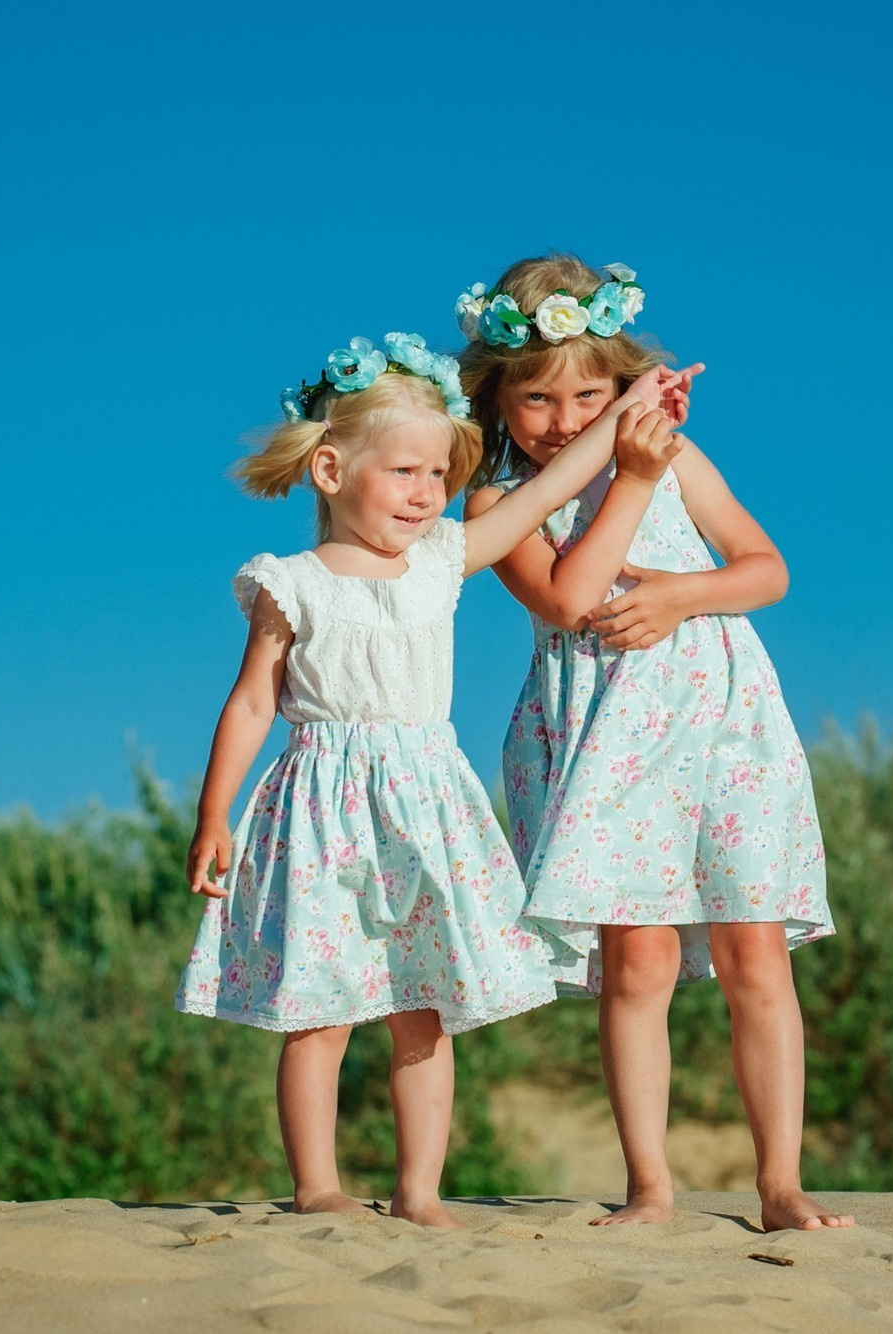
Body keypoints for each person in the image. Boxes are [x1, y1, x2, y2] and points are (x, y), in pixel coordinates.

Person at [176, 330, 687, 1227]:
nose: (428, 494)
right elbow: (253, 704)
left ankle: (420, 1191)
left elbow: (548, 490)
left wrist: (631, 409)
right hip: (322, 808)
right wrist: (215, 814)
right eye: (405, 473)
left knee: (424, 1007)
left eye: (440, 477)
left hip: (424, 807)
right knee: (319, 1012)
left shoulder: (442, 562)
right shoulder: (289, 584)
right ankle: (318, 1186)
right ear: (331, 471)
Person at [458, 258, 851, 1231]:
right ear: (495, 397)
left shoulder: (675, 457)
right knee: (637, 964)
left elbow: (766, 569)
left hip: (725, 727)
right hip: (604, 739)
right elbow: (568, 597)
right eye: (536, 397)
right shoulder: (495, 504)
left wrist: (682, 590)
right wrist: (623, 473)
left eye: (588, 393)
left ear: (627, 384)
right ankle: (650, 1185)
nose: (562, 416)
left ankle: (780, 1183)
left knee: (755, 952)